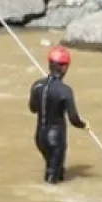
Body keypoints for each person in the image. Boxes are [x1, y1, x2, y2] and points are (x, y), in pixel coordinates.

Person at [28, 46, 89, 184]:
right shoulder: (65, 91)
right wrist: (84, 125)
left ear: (50, 64)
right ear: (64, 68)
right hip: (55, 140)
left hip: (40, 138)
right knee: (51, 178)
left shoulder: (37, 85)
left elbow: (32, 109)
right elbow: (74, 119)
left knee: (57, 170)